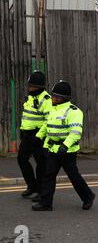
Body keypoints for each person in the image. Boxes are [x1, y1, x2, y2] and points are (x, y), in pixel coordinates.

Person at [33, 81, 95, 211]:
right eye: (52, 95)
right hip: (53, 149)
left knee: (73, 176)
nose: (52, 98)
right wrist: (42, 141)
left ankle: (88, 196)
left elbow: (76, 132)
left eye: (55, 96)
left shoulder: (74, 112)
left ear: (63, 99)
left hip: (67, 151)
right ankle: (46, 203)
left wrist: (65, 146)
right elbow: (49, 128)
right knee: (48, 175)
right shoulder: (53, 110)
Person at [18, 71, 52, 202]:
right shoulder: (31, 97)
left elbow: (48, 120)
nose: (29, 88)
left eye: (31, 86)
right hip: (27, 135)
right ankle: (32, 186)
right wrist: (22, 130)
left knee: (41, 164)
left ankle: (41, 191)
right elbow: (27, 116)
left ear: (39, 86)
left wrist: (38, 136)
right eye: (29, 85)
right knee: (21, 160)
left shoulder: (46, 99)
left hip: (39, 136)